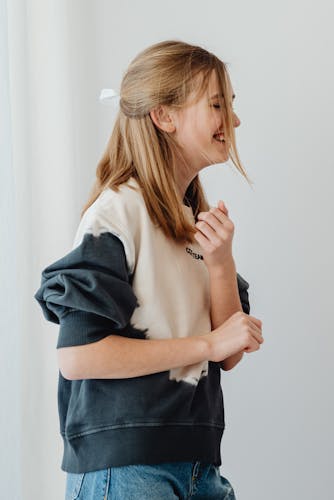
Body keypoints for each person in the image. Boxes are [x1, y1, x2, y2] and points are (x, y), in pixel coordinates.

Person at [34, 40, 263, 499]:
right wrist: (209, 341)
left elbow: (229, 353)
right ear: (164, 116)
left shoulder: (189, 219)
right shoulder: (116, 213)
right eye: (218, 104)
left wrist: (221, 266)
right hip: (127, 470)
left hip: (196, 465)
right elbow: (79, 356)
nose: (234, 121)